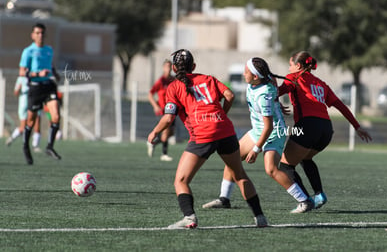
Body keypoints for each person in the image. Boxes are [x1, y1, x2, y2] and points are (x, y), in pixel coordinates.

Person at [147, 49, 268, 229]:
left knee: (181, 181)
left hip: (203, 134)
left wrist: (154, 133)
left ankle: (189, 218)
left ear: (173, 68)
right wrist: (221, 115)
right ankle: (260, 217)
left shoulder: (173, 87)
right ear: (194, 66)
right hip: (225, 130)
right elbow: (230, 95)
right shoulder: (208, 79)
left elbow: (168, 118)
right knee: (239, 174)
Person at [202, 57, 313, 213]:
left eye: (246, 71)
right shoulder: (261, 81)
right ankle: (224, 199)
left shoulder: (263, 95)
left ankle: (305, 201)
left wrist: (256, 149)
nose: (243, 73)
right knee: (232, 159)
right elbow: (272, 83)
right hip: (257, 131)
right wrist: (277, 104)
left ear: (255, 76)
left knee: (271, 169)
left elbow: (268, 126)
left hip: (274, 132)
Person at [275, 51, 372, 211]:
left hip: (308, 125)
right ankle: (319, 195)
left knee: (285, 166)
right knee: (305, 159)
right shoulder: (320, 83)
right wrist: (357, 126)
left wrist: (274, 96)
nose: (289, 67)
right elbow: (340, 105)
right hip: (326, 129)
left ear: (298, 66)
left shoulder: (293, 77)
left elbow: (275, 93)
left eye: (290, 64)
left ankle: (305, 201)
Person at [19, 22, 62, 165]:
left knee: (55, 116)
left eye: (42, 33)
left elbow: (50, 65)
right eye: (37, 33)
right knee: (30, 121)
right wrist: (37, 73)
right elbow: (22, 72)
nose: (40, 35)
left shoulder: (49, 50)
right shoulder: (28, 51)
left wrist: (55, 73)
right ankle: (26, 146)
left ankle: (49, 146)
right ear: (32, 35)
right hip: (35, 88)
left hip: (49, 86)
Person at [147, 59, 175, 161]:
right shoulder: (160, 81)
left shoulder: (173, 80)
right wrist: (155, 105)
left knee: (171, 132)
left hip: (173, 110)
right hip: (163, 111)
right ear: (163, 68)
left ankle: (153, 143)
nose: (168, 68)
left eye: (170, 66)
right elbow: (150, 94)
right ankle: (164, 154)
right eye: (167, 66)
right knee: (166, 131)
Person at [5, 76, 42, 152]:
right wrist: (19, 88)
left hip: (35, 102)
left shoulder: (37, 76)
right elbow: (16, 92)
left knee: (37, 123)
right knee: (23, 127)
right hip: (24, 105)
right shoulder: (21, 79)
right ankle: (12, 137)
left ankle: (35, 145)